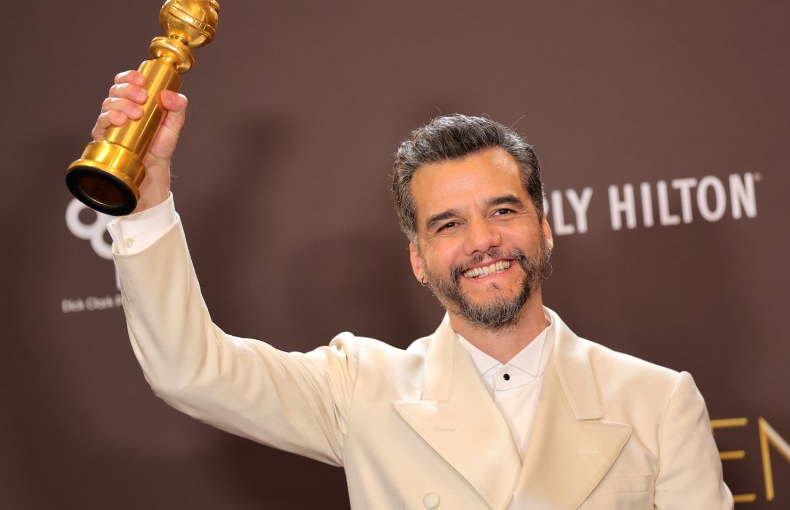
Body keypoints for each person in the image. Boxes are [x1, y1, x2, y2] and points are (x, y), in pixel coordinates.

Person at [97, 70, 733, 509]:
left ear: (543, 227)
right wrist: (146, 200)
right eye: (448, 224)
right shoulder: (362, 388)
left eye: (503, 211)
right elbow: (190, 371)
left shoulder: (659, 401)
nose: (481, 241)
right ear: (418, 260)